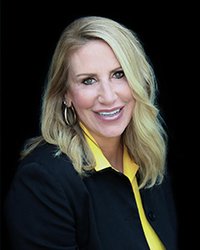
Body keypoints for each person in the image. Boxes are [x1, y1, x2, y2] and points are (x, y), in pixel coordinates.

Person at [4, 16, 178, 250]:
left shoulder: (147, 158)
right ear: (65, 94)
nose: (108, 96)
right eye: (88, 81)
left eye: (119, 74)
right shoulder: (43, 182)